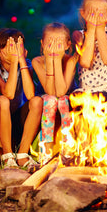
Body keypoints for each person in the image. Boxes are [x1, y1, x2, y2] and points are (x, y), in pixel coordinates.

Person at [71, 0, 107, 132]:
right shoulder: (79, 35)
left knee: (100, 100)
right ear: (83, 13)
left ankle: (104, 147)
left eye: (101, 12)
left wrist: (99, 29)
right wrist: (91, 30)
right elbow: (85, 62)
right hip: (86, 89)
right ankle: (81, 148)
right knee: (78, 102)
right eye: (92, 13)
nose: (97, 17)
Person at [0, 28, 43, 168]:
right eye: (9, 46)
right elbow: (8, 94)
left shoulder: (25, 64)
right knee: (3, 100)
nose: (14, 50)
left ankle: (22, 155)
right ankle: (7, 156)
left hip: (17, 117)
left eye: (17, 46)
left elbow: (30, 95)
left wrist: (21, 61)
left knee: (37, 101)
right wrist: (14, 63)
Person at [32, 22, 78, 165]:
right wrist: (51, 61)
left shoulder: (71, 61)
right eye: (49, 42)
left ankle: (68, 150)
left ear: (67, 44)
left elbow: (61, 91)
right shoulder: (37, 61)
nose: (54, 47)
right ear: (42, 43)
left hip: (66, 102)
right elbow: (51, 91)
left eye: (58, 43)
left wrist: (57, 60)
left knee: (62, 100)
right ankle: (45, 152)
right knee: (51, 100)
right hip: (47, 101)